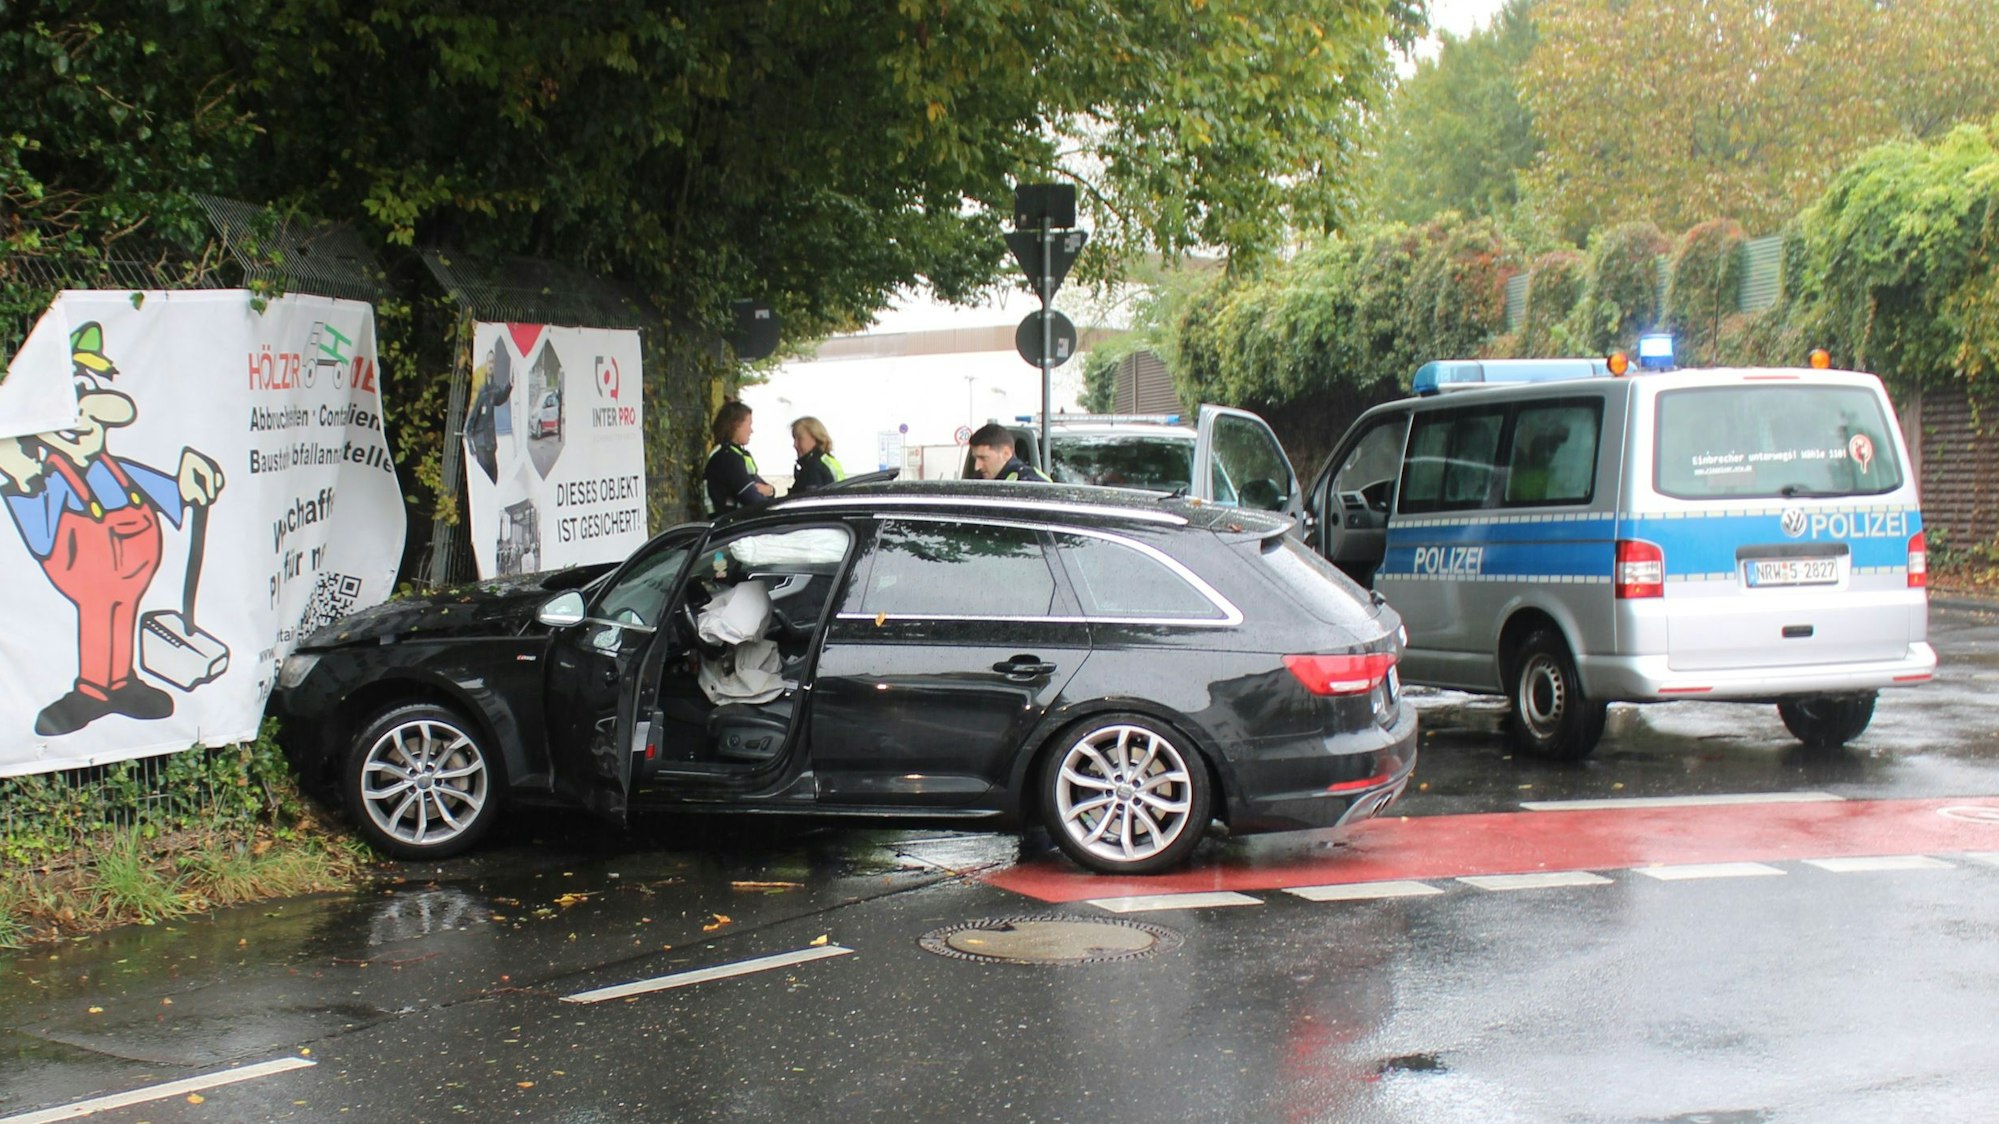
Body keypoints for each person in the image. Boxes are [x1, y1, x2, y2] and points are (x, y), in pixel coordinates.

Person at [704, 401, 775, 513]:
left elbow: (761, 486)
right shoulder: (727, 457)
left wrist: (770, 490)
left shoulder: (736, 453)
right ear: (736, 425)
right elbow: (751, 497)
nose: (751, 431)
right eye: (749, 424)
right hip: (730, 523)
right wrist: (767, 492)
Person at [968, 423, 1049, 482]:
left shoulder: (1030, 483)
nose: (977, 467)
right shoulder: (978, 479)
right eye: (976, 458)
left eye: (983, 458)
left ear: (1006, 453)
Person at [788, 416, 845, 494]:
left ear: (815, 437)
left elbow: (808, 501)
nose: (795, 445)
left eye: (799, 439)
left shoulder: (814, 467)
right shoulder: (828, 460)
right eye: (794, 439)